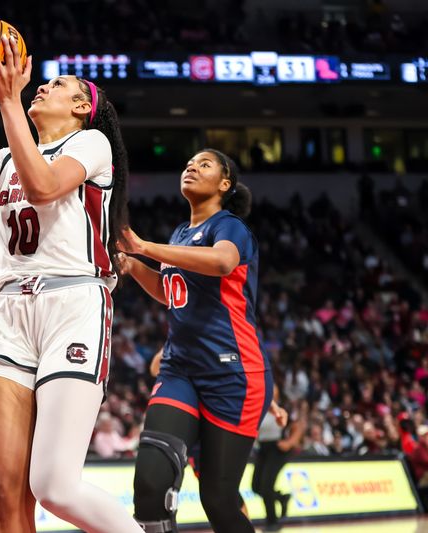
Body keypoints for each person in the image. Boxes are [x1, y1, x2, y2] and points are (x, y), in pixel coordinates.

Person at [0, 33, 140, 533]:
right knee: (3, 491)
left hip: (71, 303)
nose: (41, 86)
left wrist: (9, 100)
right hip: (4, 313)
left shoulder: (90, 143)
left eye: (57, 84)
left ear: (82, 105)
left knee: (54, 486)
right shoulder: (2, 159)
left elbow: (43, 186)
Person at [120, 149, 273, 533]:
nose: (191, 166)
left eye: (204, 164)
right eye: (188, 161)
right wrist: (132, 264)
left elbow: (222, 262)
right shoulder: (181, 235)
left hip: (233, 372)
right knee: (151, 483)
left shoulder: (230, 226)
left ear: (225, 184)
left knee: (218, 499)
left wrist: (144, 248)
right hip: (180, 369)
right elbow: (171, 291)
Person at [252, 387, 302, 532]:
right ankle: (281, 498)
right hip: (262, 449)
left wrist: (290, 442)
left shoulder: (282, 407)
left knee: (266, 486)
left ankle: (272, 522)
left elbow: (298, 426)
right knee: (255, 486)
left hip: (277, 448)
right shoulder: (258, 408)